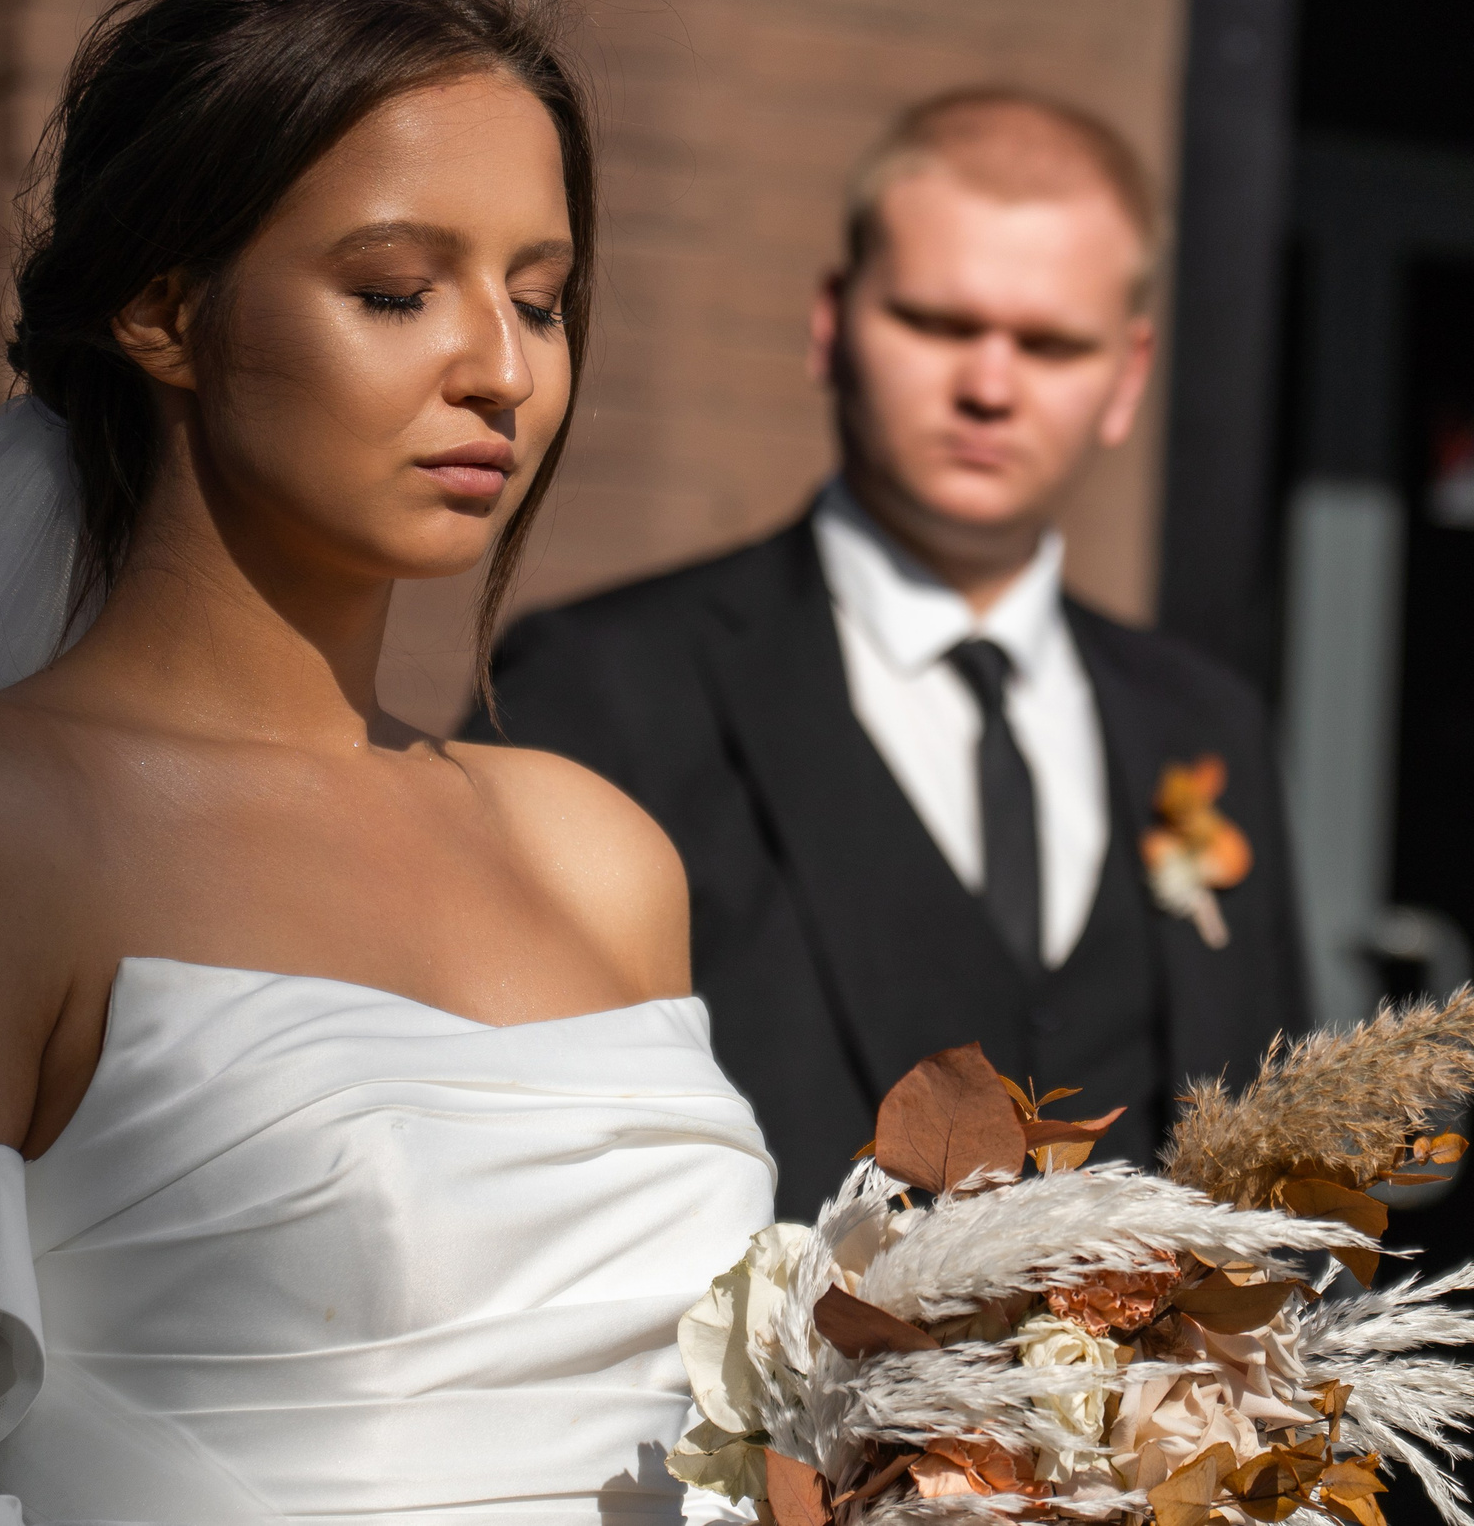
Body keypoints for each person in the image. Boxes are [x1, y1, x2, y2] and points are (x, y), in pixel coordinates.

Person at [0, 0, 773, 1524]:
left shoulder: (601, 850)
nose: (500, 370)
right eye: (395, 289)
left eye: (543, 299)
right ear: (166, 311)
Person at [469, 90, 1308, 1214]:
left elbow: (1278, 1166)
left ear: (1127, 376)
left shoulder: (1205, 726)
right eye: (937, 324)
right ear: (832, 321)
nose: (989, 387)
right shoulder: (598, 687)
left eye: (1050, 343)